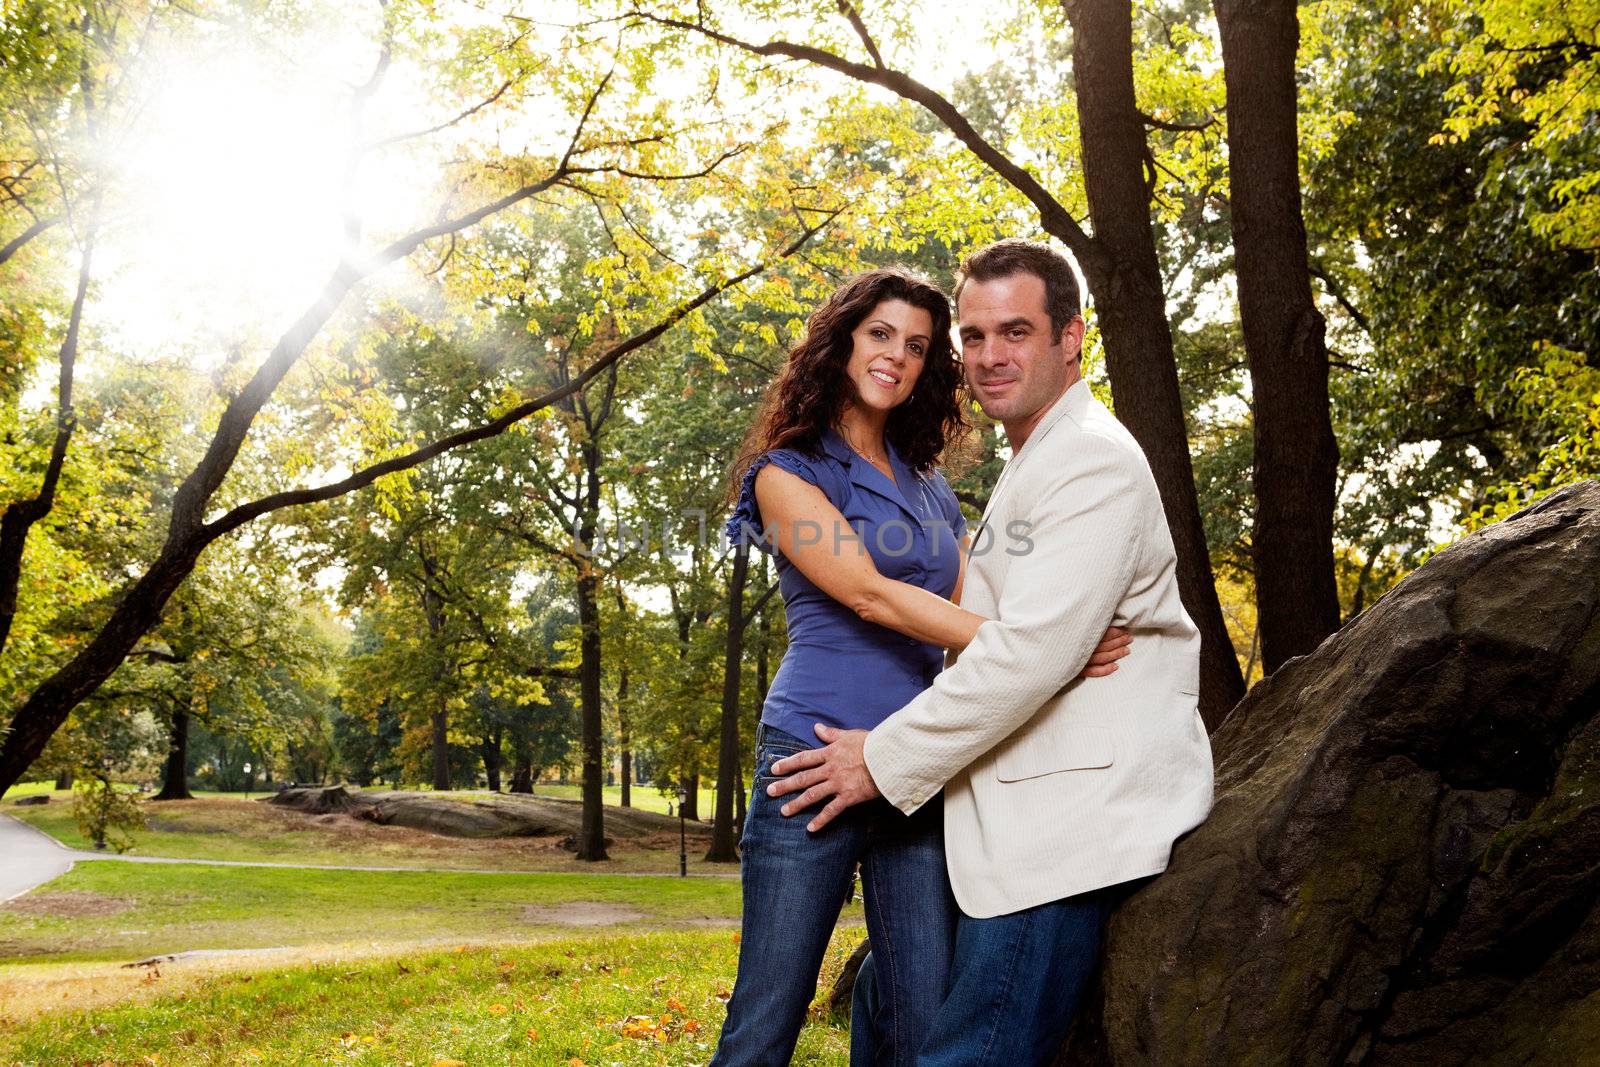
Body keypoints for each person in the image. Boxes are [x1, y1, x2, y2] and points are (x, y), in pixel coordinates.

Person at [766, 240, 1216, 1066]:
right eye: (972, 337)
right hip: (998, 808)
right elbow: (1007, 637)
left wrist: (882, 758)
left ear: (1072, 336)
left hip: (1063, 828)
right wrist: (1041, 648)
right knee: (885, 1000)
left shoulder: (1090, 460)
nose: (989, 356)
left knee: (971, 1049)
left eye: (1014, 331)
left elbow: (1027, 657)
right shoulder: (1030, 461)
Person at [709, 265, 1130, 1067]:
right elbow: (871, 595)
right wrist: (1047, 650)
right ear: (840, 343)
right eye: (879, 335)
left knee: (923, 1016)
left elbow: (983, 598)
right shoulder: (785, 473)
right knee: (769, 1017)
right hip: (813, 756)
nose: (896, 356)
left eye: (917, 345)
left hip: (913, 766)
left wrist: (1060, 634)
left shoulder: (931, 487)